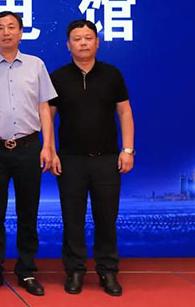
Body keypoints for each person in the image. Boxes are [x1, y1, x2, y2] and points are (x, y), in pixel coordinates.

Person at [0, 11, 56, 296]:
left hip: (29, 147)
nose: (6, 32)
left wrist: (48, 146)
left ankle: (27, 271)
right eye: (0, 28)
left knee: (28, 212)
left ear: (20, 32)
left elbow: (44, 108)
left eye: (11, 27)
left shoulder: (36, 65)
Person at [49, 19, 134, 296]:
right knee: (72, 219)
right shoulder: (58, 77)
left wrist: (128, 150)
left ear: (97, 42)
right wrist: (50, 150)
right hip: (70, 160)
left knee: (106, 218)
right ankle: (75, 271)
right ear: (68, 45)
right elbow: (48, 117)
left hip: (107, 159)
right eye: (77, 39)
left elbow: (125, 112)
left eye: (88, 38)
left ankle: (108, 271)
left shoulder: (112, 74)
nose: (83, 43)